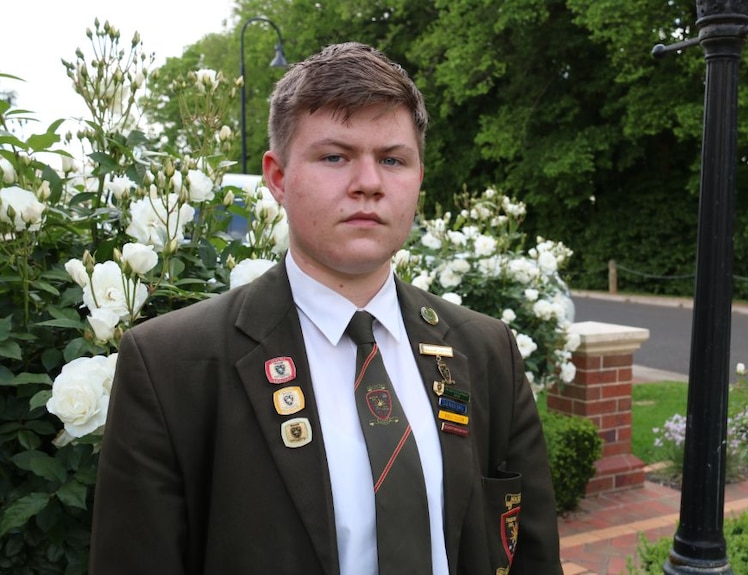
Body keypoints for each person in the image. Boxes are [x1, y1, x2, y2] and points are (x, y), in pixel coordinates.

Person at [89, 42, 562, 575]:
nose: (369, 183)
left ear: (419, 178)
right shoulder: (171, 366)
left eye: (393, 159)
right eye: (335, 156)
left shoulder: (484, 348)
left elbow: (530, 554)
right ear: (278, 178)